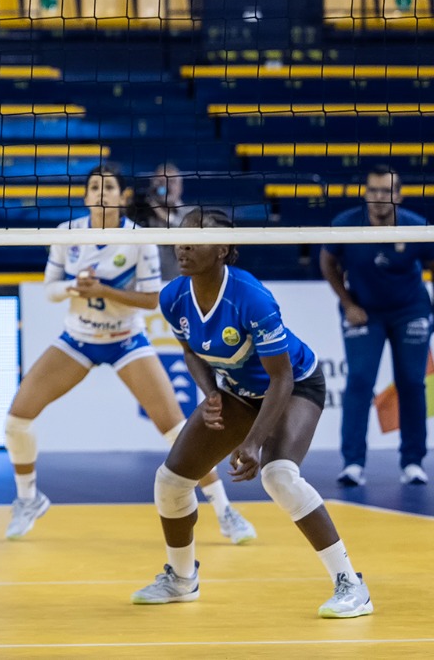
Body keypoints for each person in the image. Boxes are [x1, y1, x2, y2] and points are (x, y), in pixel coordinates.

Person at [132, 208, 373, 618]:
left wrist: (253, 443)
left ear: (222, 249)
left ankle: (351, 584)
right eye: (181, 236)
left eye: (196, 239)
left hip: (296, 384)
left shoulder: (251, 297)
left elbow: (281, 378)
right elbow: (191, 351)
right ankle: (181, 579)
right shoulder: (173, 296)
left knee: (279, 477)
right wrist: (211, 393)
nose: (183, 246)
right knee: (170, 482)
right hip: (238, 390)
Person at [3, 164, 255, 545]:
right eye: (94, 187)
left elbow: (152, 299)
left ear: (122, 197)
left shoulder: (139, 238)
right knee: (15, 421)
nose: (101, 193)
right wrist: (74, 287)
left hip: (126, 340)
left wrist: (102, 290)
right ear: (85, 196)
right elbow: (50, 290)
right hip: (78, 338)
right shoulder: (68, 233)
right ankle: (28, 499)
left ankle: (225, 511)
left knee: (176, 429)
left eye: (109, 188)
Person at [320, 165, 434, 487]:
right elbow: (327, 262)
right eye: (374, 190)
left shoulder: (415, 226)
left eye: (386, 191)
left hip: (410, 310)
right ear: (365, 193)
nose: (379, 197)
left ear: (399, 195)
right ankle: (353, 463)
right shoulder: (345, 224)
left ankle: (412, 462)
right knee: (359, 381)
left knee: (412, 382)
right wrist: (348, 303)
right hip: (364, 311)